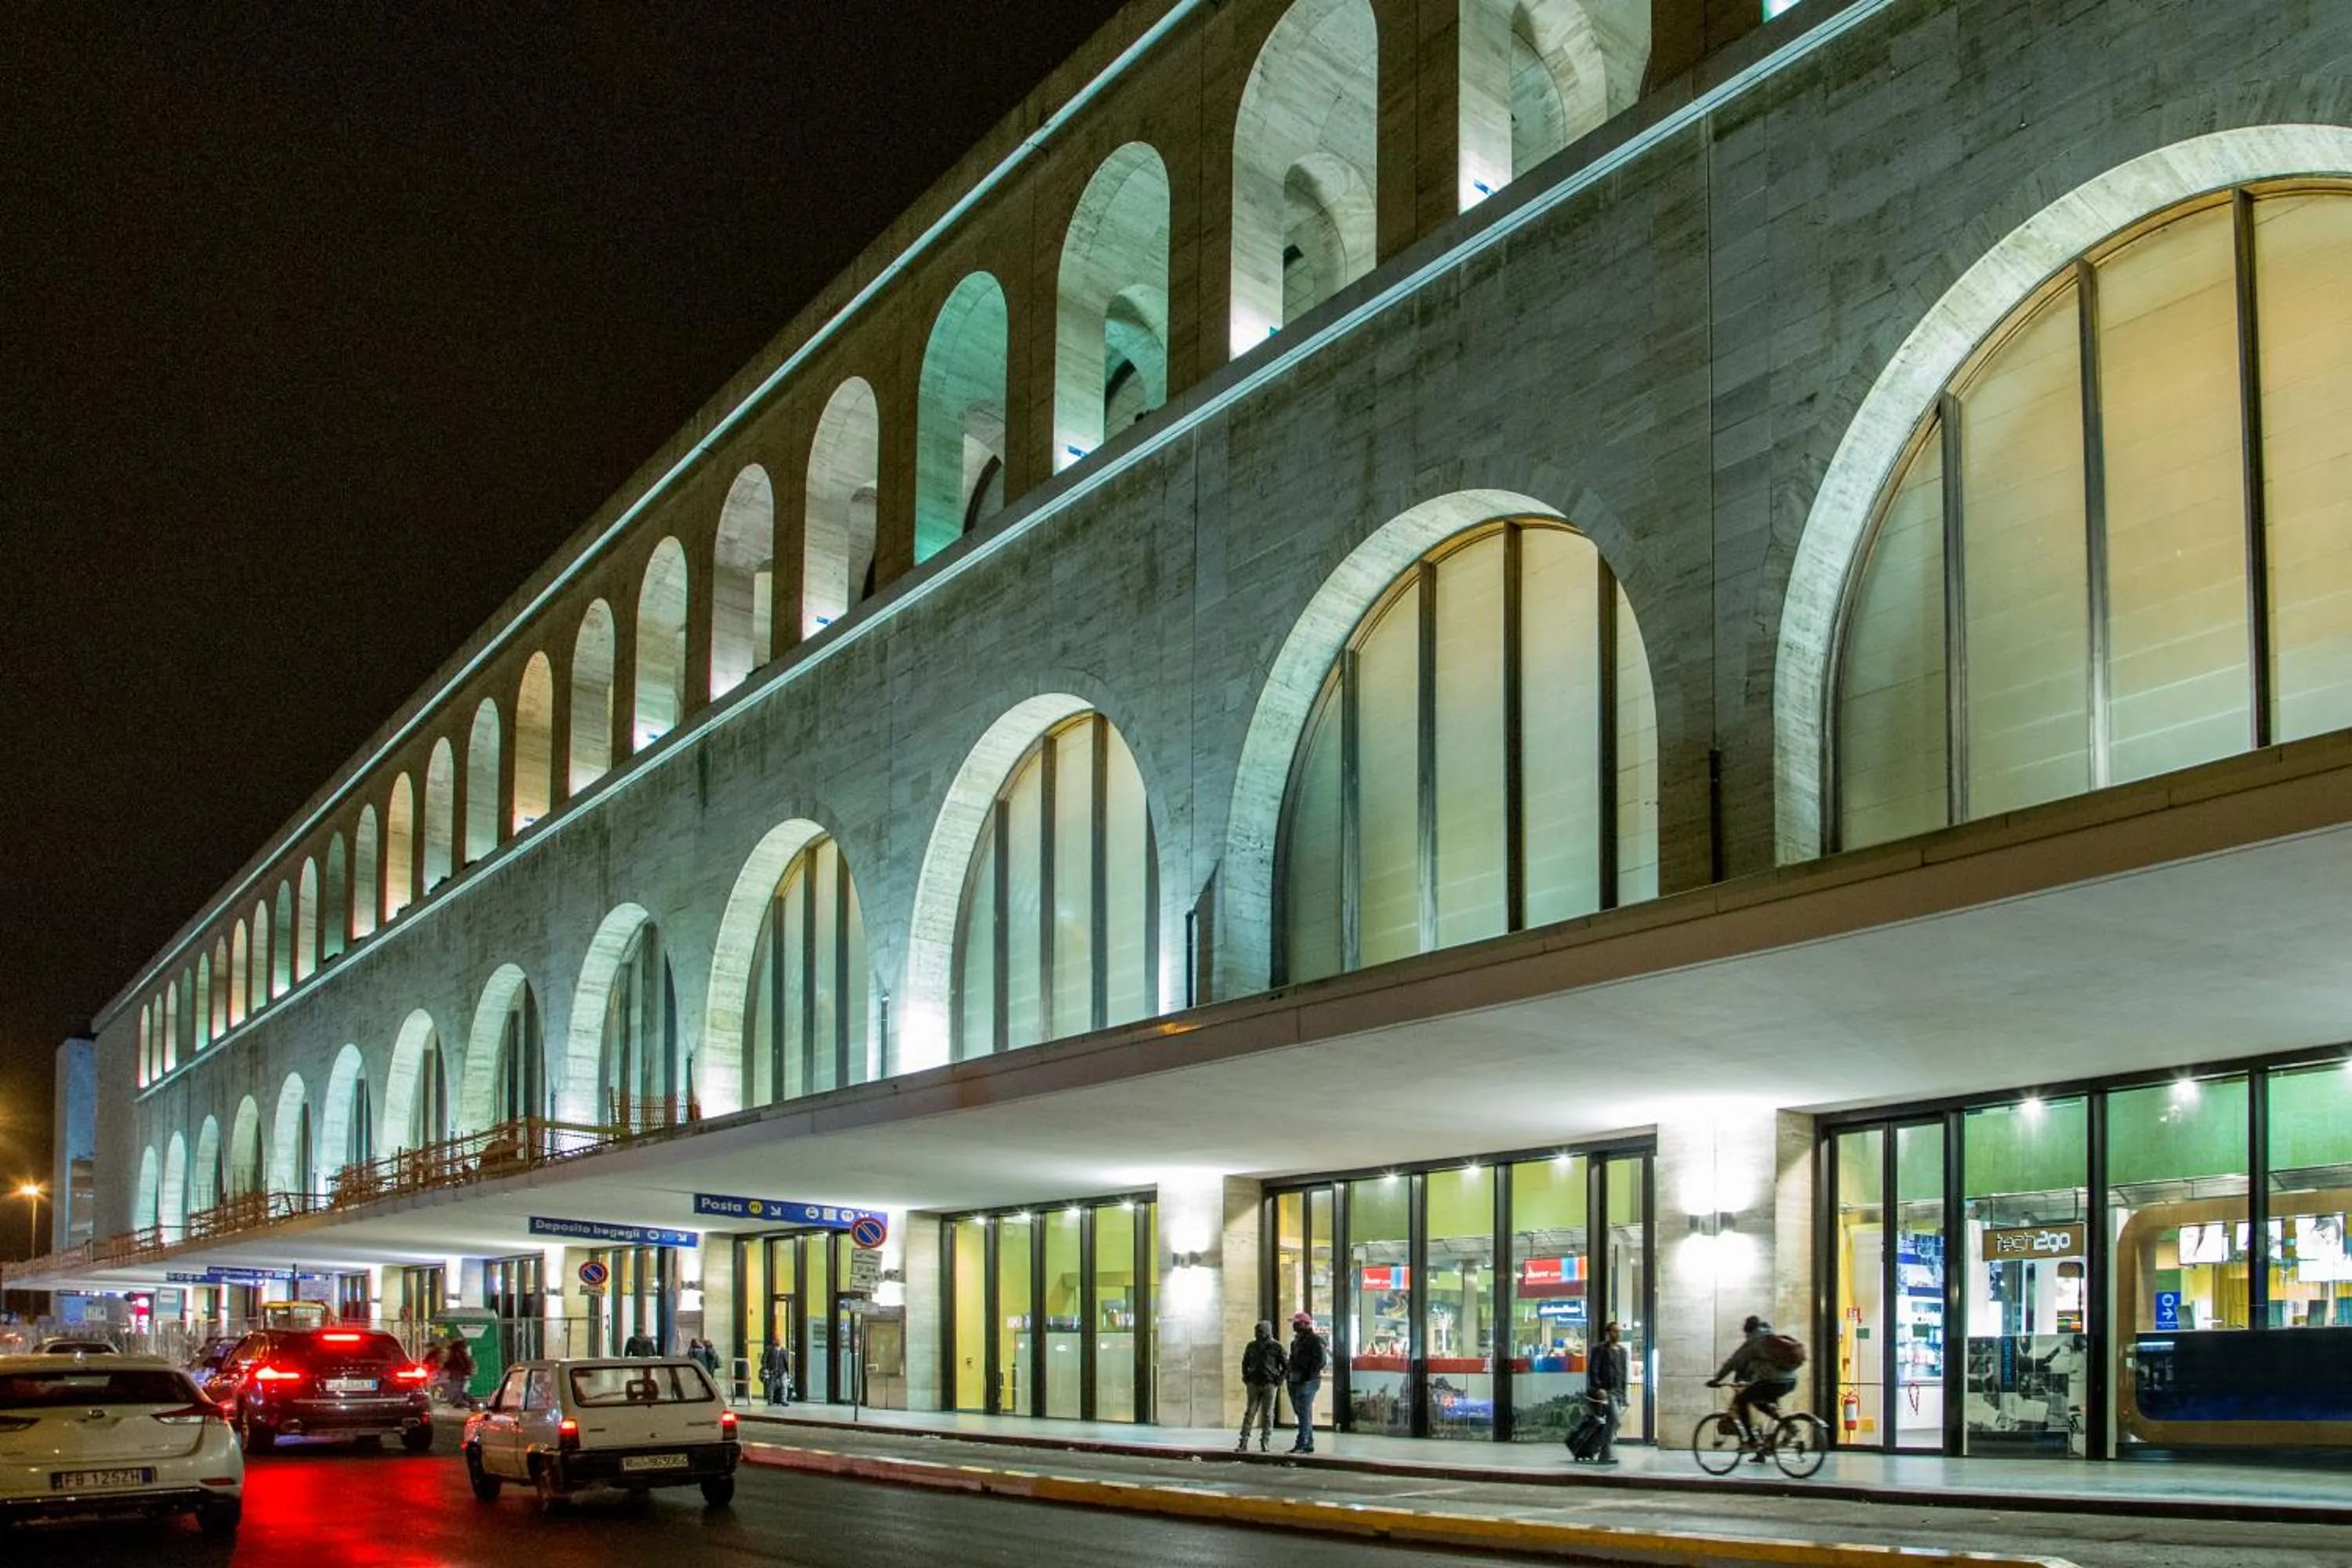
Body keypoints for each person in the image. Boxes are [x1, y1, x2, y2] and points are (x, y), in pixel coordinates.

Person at [1707, 1315, 1798, 1458]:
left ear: (1748, 1331)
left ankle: (1751, 1440)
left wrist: (1716, 1379)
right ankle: (1787, 1428)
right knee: (1760, 1402)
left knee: (1742, 1400)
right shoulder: (1771, 1337)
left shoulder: (1754, 1342)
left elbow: (1733, 1362)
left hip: (1772, 1381)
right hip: (1790, 1381)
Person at [1236, 1320, 1287, 1453]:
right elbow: (1245, 1362)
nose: (1258, 1334)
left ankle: (1265, 1441)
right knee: (1250, 1413)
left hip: (1269, 1383)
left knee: (1268, 1414)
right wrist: (1246, 1376)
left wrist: (1279, 1380)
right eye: (1257, 1331)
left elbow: (1286, 1366)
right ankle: (1243, 1441)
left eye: (1261, 1331)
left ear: (1267, 1332)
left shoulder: (1276, 1347)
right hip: (1253, 1382)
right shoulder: (1251, 1346)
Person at [1584, 1319, 1628, 1464]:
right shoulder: (1599, 1349)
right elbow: (1594, 1370)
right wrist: (1598, 1387)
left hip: (1618, 1392)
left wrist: (1625, 1395)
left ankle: (1604, 1452)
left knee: (1614, 1421)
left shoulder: (1623, 1351)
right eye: (1615, 1331)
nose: (1618, 1333)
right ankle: (1606, 1452)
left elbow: (1623, 1373)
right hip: (1606, 1391)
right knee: (1615, 1419)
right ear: (1608, 1333)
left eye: (1619, 1331)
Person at [1284, 1311, 1326, 1454]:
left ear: (1304, 1324)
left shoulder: (1314, 1340)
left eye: (1296, 1323)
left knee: (1303, 1412)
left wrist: (1308, 1373)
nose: (1294, 1326)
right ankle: (1308, 1442)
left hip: (1307, 1381)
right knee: (1302, 1413)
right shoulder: (1296, 1342)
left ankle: (1302, 1443)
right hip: (1295, 1380)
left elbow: (1320, 1361)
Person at [441, 1333, 476, 1407]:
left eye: (447, 1341)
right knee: (458, 1390)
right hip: (458, 1374)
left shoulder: (455, 1351)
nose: (446, 1343)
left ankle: (463, 1403)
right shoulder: (459, 1350)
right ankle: (469, 1402)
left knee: (455, 1390)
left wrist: (446, 1365)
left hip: (456, 1374)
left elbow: (457, 1362)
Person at [760, 1336, 789, 1407]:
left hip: (782, 1370)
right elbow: (764, 1359)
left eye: (780, 1340)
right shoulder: (769, 1349)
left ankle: (784, 1400)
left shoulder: (783, 1350)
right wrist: (765, 1368)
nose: (779, 1342)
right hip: (772, 1370)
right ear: (774, 1341)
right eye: (778, 1340)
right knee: (771, 1386)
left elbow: (786, 1361)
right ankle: (770, 1400)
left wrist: (787, 1371)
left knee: (784, 1385)